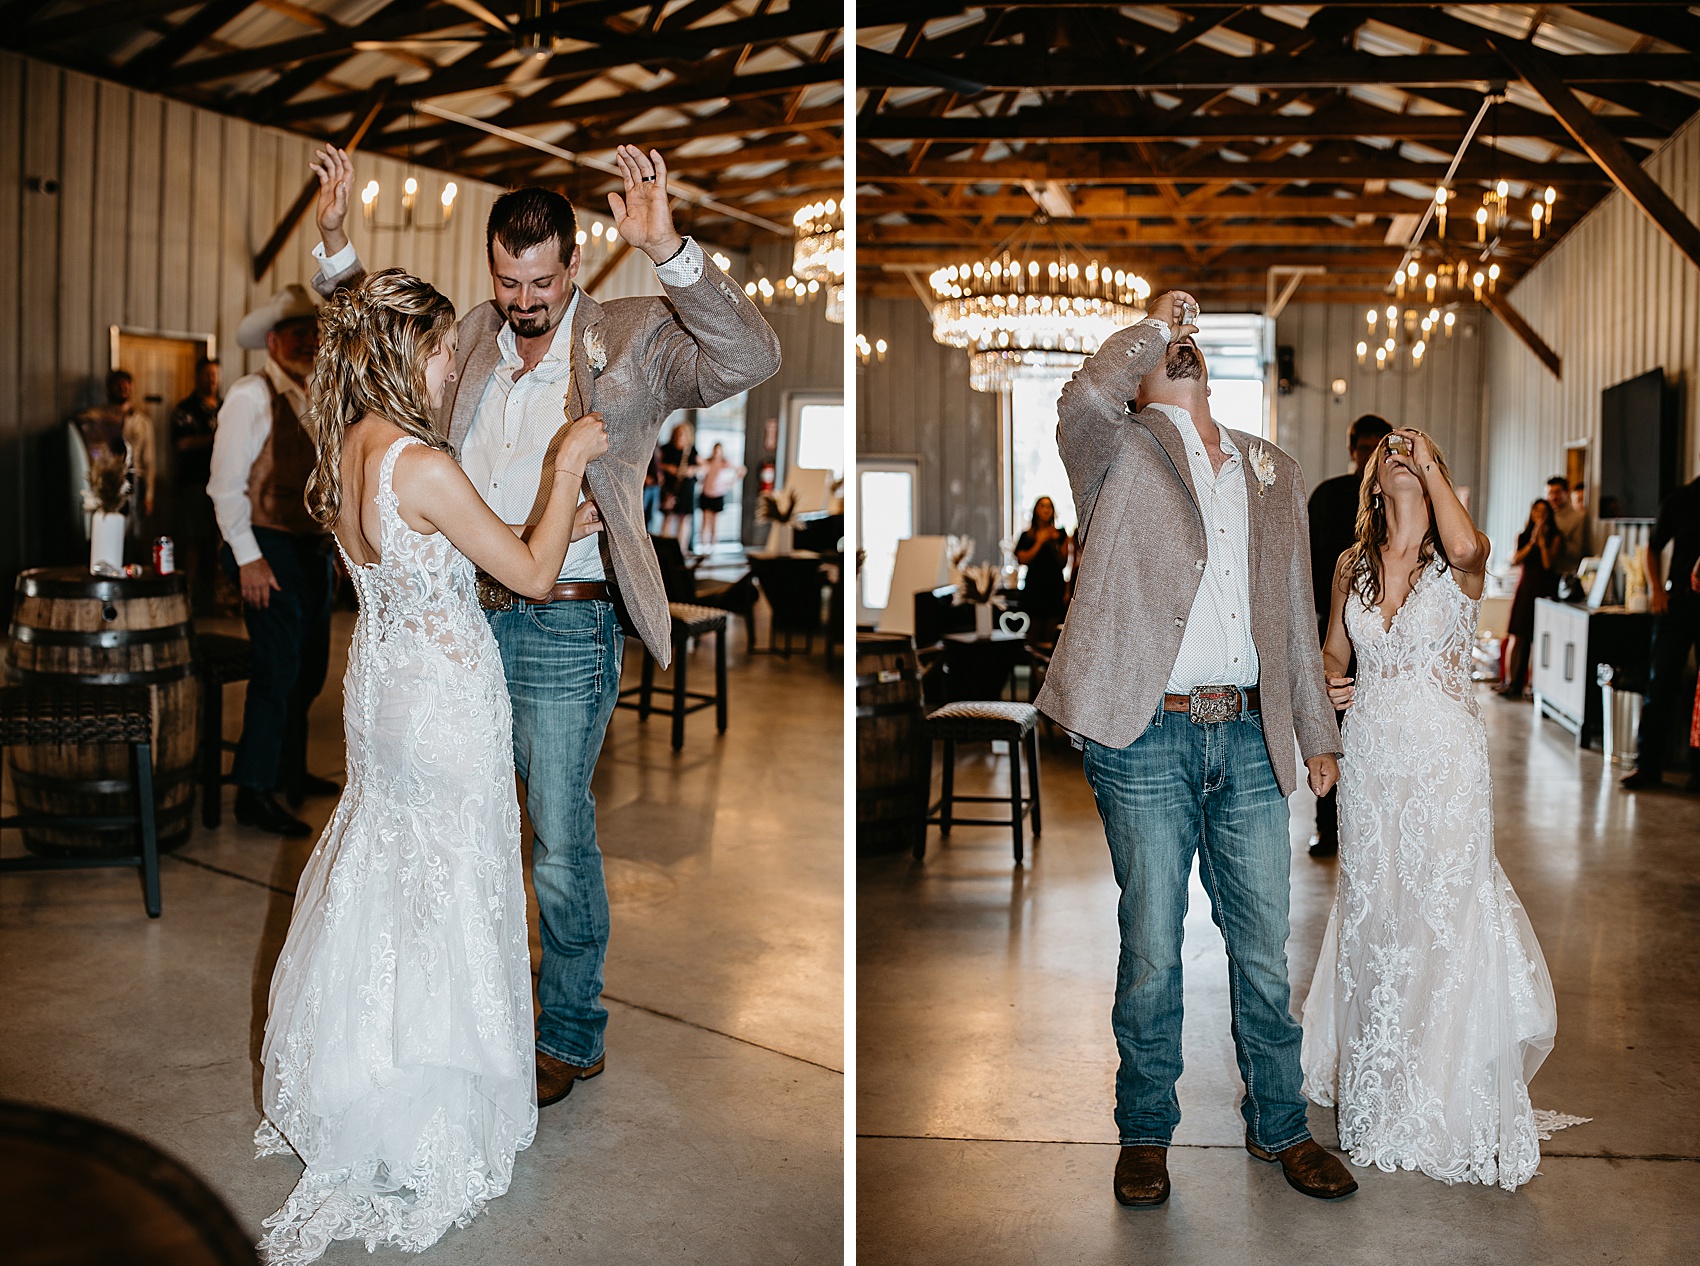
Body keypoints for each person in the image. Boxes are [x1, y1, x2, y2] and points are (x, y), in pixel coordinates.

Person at [308, 142, 780, 1108]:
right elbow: (381, 341)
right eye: (505, 279)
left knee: (558, 841)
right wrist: (333, 243)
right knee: (468, 831)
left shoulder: (639, 332)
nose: (521, 300)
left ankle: (569, 1032)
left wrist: (670, 250)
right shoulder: (472, 333)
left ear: (573, 266)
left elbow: (752, 356)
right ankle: (455, 1017)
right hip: (464, 622)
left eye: (539, 281)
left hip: (566, 620)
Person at [255, 267, 611, 1263]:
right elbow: (533, 578)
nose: (457, 358)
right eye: (447, 345)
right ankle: (435, 1098)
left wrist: (538, 527)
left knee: (384, 877)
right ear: (410, 351)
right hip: (447, 708)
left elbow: (454, 563)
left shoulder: (349, 449)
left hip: (379, 699)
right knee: (451, 888)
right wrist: (567, 465)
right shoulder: (424, 462)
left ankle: (355, 1071)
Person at [1036, 290, 1356, 1207]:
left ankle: (1282, 1127)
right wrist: (1150, 323)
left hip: (1251, 734)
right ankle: (1145, 1132)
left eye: (1186, 344)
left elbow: (1294, 616)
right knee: (1151, 948)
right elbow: (1080, 395)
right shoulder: (1114, 449)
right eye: (1160, 350)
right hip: (1145, 734)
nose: (1179, 350)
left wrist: (1316, 734)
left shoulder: (1273, 469)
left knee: (1262, 951)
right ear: (1139, 378)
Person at [1301, 428, 1573, 1190]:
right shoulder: (1351, 566)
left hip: (1446, 764)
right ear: (1371, 485)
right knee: (1378, 913)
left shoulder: (1457, 561)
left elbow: (1468, 548)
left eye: (1413, 453)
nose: (1400, 455)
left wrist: (1427, 463)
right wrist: (1329, 684)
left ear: (1432, 472)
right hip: (1374, 762)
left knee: (1442, 913)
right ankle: (1383, 1077)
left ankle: (1446, 1095)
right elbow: (1332, 652)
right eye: (1388, 454)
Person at [207, 285, 337, 836]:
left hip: (311, 548)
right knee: (276, 671)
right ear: (271, 340)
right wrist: (248, 560)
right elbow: (223, 488)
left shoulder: (318, 394)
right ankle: (253, 791)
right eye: (296, 333)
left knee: (308, 670)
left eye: (314, 331)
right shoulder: (249, 396)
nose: (308, 341)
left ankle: (289, 771)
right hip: (267, 546)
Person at [1304, 413, 1391, 858]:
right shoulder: (1327, 497)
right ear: (1352, 449)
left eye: (1381, 446)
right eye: (1364, 446)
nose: (1370, 455)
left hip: (1385, 632)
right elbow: (1305, 563)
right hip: (1336, 621)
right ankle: (1327, 825)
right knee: (1332, 723)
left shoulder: (1397, 504)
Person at [1620, 471, 1700, 792]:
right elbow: (1653, 548)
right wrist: (1656, 590)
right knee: (1660, 681)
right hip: (1676, 601)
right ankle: (1648, 765)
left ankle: (1697, 770)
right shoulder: (1680, 500)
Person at [1496, 499, 1563, 698]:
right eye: (1536, 512)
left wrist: (1542, 544)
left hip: (1544, 588)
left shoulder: (1555, 537)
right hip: (1525, 587)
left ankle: (1532, 685)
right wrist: (1532, 542)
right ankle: (1509, 681)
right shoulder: (1523, 536)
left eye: (1544, 512)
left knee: (1537, 638)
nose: (1540, 516)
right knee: (1517, 634)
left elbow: (1548, 564)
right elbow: (1515, 560)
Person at [170, 358, 222, 610]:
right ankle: (186, 597)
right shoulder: (185, 409)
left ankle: (211, 598)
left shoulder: (224, 408)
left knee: (216, 542)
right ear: (198, 377)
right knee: (193, 540)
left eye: (215, 375)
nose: (212, 380)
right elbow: (181, 444)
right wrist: (212, 438)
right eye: (207, 375)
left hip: (221, 486)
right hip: (193, 484)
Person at [76, 369, 155, 529]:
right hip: (109, 480)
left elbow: (149, 460)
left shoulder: (142, 421)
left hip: (135, 480)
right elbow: (81, 422)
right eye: (118, 385)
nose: (122, 388)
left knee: (134, 529)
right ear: (109, 388)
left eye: (126, 384)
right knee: (108, 524)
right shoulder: (96, 416)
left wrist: (149, 496)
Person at [1014, 495, 1070, 645]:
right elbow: (1021, 559)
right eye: (1042, 506)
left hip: (1053, 587)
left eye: (1049, 507)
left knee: (1052, 631)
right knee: (1034, 629)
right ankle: (1033, 663)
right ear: (1035, 510)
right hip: (1034, 587)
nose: (1046, 510)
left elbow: (1063, 562)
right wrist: (1040, 541)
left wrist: (1053, 542)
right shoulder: (1026, 536)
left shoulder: (1061, 534)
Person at [658, 420, 699, 548]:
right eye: (679, 432)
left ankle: (682, 550)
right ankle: (664, 550)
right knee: (668, 516)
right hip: (670, 487)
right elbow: (656, 464)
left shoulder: (691, 450)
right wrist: (669, 468)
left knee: (684, 518)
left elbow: (702, 466)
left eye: (684, 433)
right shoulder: (667, 448)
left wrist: (692, 470)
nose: (681, 435)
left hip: (686, 487)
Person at [697, 441, 745, 549]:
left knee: (714, 523)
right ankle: (704, 547)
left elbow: (741, 470)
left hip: (718, 495)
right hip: (706, 494)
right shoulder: (708, 462)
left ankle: (712, 547)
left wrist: (731, 482)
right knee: (705, 522)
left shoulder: (724, 463)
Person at [1545, 475, 1588, 574]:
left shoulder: (1577, 518)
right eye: (1550, 493)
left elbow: (1577, 551)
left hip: (1563, 573)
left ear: (1566, 492)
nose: (1553, 497)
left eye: (1557, 492)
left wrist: (1557, 541)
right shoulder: (1541, 514)